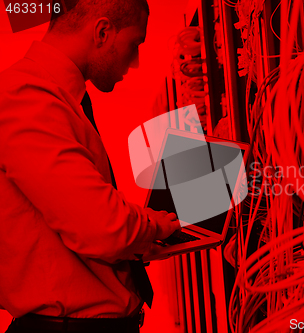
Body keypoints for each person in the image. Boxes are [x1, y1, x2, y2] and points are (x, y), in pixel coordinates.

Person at [0, 0, 180, 332]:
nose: (135, 61)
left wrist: (139, 241)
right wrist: (157, 225)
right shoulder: (25, 96)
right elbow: (103, 228)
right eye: (134, 44)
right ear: (102, 32)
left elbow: (79, 216)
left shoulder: (56, 98)